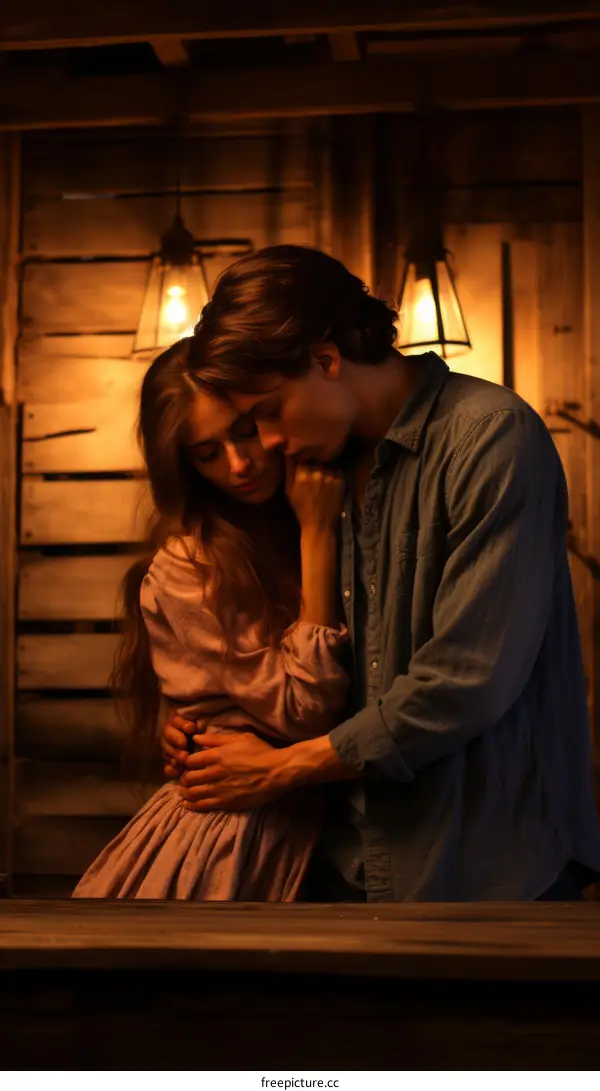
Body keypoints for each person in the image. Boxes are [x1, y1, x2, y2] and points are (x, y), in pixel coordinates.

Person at [161, 244, 600, 902]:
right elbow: (309, 669)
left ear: (326, 357)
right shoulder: (319, 474)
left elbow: (466, 679)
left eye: (270, 412)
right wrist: (213, 732)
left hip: (487, 866)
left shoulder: (489, 437)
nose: (268, 443)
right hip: (346, 864)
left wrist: (279, 769)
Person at [72, 336, 350, 901]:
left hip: (338, 833)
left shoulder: (352, 509)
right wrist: (318, 535)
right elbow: (302, 713)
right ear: (185, 467)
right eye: (206, 453)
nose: (239, 464)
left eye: (245, 431)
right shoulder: (190, 566)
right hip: (232, 845)